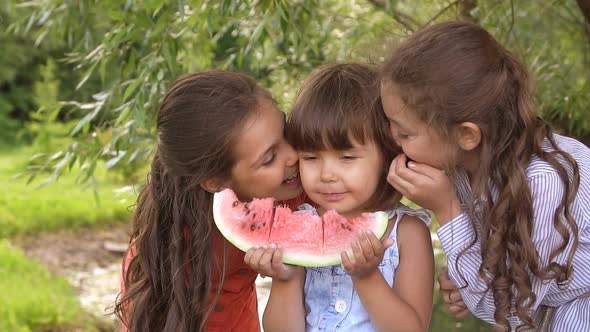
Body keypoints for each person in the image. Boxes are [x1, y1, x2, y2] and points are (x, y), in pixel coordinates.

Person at [381, 21, 590, 331]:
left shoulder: (542, 183)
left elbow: (508, 310)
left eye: (404, 132)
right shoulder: (466, 166)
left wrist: (447, 212)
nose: (392, 140)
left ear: (466, 135)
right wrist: (469, 282)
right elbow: (497, 272)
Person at [246, 63, 434, 332]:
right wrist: (286, 278)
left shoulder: (407, 233)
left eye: (346, 158)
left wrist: (367, 277)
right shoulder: (299, 227)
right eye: (311, 157)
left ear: (387, 154)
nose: (327, 175)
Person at [113, 70, 306, 332]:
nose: (294, 155)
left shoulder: (296, 195)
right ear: (216, 181)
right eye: (269, 158)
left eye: (286, 132)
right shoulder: (167, 249)